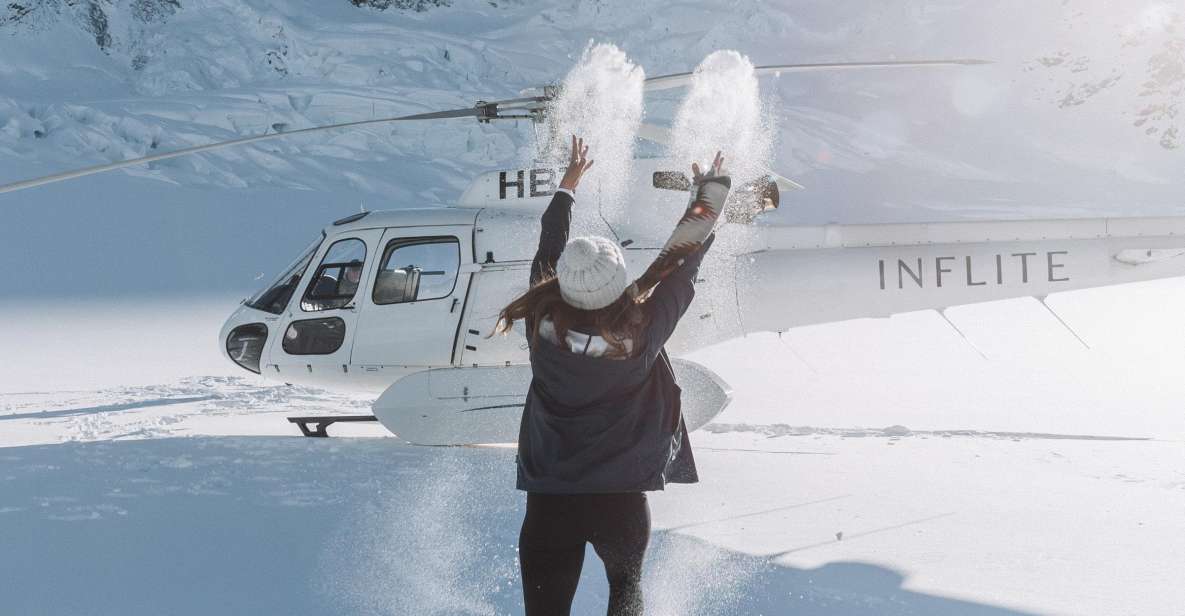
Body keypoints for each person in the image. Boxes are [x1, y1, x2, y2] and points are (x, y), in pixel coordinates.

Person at [495, 136, 731, 616]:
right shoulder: (642, 333)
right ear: (618, 281)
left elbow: (550, 244)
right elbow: (684, 259)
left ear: (562, 281)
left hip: (550, 502)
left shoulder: (540, 321)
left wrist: (567, 187)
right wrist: (708, 194)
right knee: (626, 596)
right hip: (621, 502)